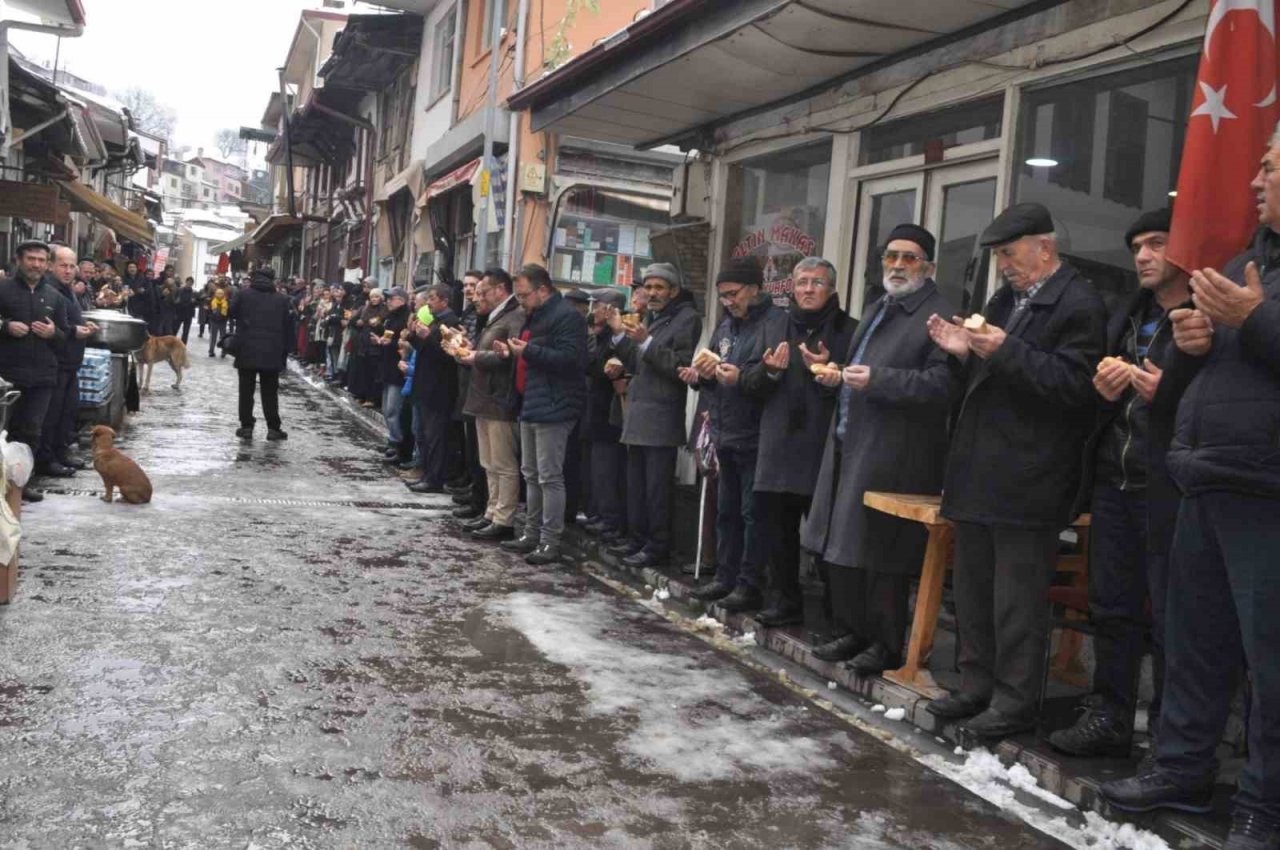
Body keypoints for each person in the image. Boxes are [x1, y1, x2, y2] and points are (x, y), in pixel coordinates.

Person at [1101, 134, 1280, 849]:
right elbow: (1189, 382)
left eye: (1270, 165)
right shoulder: (1245, 263)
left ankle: (1265, 805)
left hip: (1267, 490)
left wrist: (1252, 319)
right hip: (1201, 478)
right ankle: (1180, 768)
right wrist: (1192, 342)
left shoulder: (1250, 288)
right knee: (1194, 643)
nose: (1256, 177)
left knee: (1270, 660)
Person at [924, 202, 1106, 742]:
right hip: (981, 469)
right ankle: (975, 686)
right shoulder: (1007, 298)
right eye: (999, 255)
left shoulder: (1078, 302)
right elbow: (993, 372)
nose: (1003, 265)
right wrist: (963, 352)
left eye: (1009, 253)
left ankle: (1015, 700)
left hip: (1031, 476)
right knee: (975, 591)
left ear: (1043, 248)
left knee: (1017, 601)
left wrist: (1005, 350)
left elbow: (1076, 387)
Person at [1048, 208, 1190, 759]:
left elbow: (1222, 406)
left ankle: (1168, 735)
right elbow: (1090, 399)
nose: (1144, 256)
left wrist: (1170, 393)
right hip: (1116, 481)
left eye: (1157, 243)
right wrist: (1102, 393)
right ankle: (1108, 713)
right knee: (1111, 606)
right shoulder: (1126, 316)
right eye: (1137, 247)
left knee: (1174, 617)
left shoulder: (1208, 316)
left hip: (1174, 486)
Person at [800, 233, 955, 672]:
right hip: (851, 441)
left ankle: (884, 644)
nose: (898, 264)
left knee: (882, 552)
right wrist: (836, 373)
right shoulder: (878, 306)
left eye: (910, 257)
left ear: (928, 266)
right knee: (842, 546)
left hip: (897, 452)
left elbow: (942, 385)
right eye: (891, 255)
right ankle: (852, 632)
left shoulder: (937, 314)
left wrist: (878, 380)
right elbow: (860, 373)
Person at [746, 256, 858, 630]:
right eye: (803, 282)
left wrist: (831, 372)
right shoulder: (774, 325)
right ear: (791, 288)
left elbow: (859, 391)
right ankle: (783, 602)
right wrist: (770, 372)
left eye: (817, 283)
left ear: (833, 290)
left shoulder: (849, 331)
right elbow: (749, 383)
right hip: (778, 443)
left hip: (825, 447)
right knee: (777, 530)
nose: (809, 289)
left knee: (828, 536)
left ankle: (836, 615)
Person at [682, 257, 784, 612]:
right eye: (722, 295)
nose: (728, 301)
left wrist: (739, 377)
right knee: (726, 512)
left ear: (755, 289)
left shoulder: (775, 323)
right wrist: (703, 375)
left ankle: (749, 583)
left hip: (757, 435)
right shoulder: (727, 326)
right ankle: (725, 577)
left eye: (733, 294)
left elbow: (773, 376)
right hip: (726, 431)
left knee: (752, 514)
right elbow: (713, 371)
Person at [605, 262, 701, 567]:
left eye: (659, 288)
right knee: (636, 486)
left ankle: (657, 546)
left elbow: (679, 365)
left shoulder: (686, 319)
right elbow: (638, 359)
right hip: (638, 413)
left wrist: (646, 340)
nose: (652, 293)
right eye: (648, 287)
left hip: (661, 416)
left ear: (673, 290)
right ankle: (638, 539)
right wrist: (620, 339)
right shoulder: (653, 317)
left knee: (657, 489)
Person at [496, 264, 586, 564]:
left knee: (549, 476)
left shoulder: (567, 317)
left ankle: (550, 540)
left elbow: (572, 360)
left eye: (524, 295)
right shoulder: (536, 314)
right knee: (531, 474)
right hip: (532, 401)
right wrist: (515, 352)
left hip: (556, 405)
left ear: (543, 290)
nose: (520, 301)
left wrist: (529, 352)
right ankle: (531, 533)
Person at [0, 240, 69, 502]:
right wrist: (5, 327)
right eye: (31, 259)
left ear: (47, 264)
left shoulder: (54, 297)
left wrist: (53, 333)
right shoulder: (3, 289)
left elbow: (65, 336)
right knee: (4, 430)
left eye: (41, 260)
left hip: (42, 377)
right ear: (19, 260)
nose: (36, 264)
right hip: (6, 376)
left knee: (31, 431)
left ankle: (21, 484)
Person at [458, 269, 523, 541]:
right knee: (488, 461)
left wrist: (476, 356)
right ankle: (491, 511)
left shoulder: (514, 315)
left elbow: (508, 354)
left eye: (484, 291)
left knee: (503, 462)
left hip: (499, 399)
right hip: (484, 397)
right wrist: (468, 348)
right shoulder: (495, 315)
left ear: (500, 290)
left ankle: (504, 518)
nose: (479, 297)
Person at [37, 245, 96, 478]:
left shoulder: (67, 289)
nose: (68, 270)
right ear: (51, 265)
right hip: (55, 362)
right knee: (52, 414)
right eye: (63, 265)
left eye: (72, 266)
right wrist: (74, 331)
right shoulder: (49, 290)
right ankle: (47, 459)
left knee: (67, 411)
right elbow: (49, 326)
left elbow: (69, 319)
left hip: (71, 362)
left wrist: (84, 326)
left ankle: (61, 453)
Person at [578, 289, 629, 541]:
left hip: (608, 412)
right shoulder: (597, 335)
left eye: (596, 304)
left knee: (607, 469)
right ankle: (597, 512)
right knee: (595, 468)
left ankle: (610, 519)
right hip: (593, 410)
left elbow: (602, 368)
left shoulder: (615, 337)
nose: (592, 309)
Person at [407, 284, 461, 494]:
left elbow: (447, 355)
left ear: (444, 301)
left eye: (432, 298)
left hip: (439, 389)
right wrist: (413, 335)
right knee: (426, 435)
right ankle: (427, 474)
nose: (428, 302)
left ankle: (434, 478)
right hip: (426, 386)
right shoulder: (437, 321)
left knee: (436, 436)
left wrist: (426, 336)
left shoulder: (451, 322)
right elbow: (425, 350)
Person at [229, 267, 292, 440]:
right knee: (270, 392)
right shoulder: (282, 299)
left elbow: (230, 313)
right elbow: (288, 329)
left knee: (246, 391)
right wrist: (284, 354)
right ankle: (273, 429)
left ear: (254, 278)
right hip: (272, 352)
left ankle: (246, 426)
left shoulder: (243, 294)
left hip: (246, 350)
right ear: (273, 280)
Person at [451, 271, 489, 520]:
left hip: (481, 387)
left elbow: (479, 347)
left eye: (474, 286)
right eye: (465, 285)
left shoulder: (483, 315)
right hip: (466, 382)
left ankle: (479, 496)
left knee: (482, 451)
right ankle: (473, 488)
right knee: (470, 443)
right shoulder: (468, 312)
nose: (469, 291)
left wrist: (467, 347)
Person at [374, 288, 411, 462]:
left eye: (392, 299)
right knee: (385, 408)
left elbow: (407, 342)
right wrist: (381, 340)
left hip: (398, 369)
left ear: (402, 300)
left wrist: (392, 342)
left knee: (392, 409)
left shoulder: (406, 318)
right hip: (387, 367)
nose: (388, 302)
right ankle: (392, 440)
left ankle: (398, 443)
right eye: (387, 299)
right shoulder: (390, 317)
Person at [123, 260, 158, 333]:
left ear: (137, 268)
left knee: (138, 330)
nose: (132, 269)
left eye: (134, 267)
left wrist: (138, 292)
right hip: (127, 308)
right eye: (130, 267)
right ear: (127, 269)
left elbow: (149, 293)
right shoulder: (124, 278)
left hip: (140, 310)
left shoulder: (143, 279)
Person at [207, 287, 230, 357]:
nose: (219, 295)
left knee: (223, 338)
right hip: (214, 321)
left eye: (221, 294)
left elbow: (229, 311)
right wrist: (211, 316)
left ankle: (223, 351)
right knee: (213, 337)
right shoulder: (212, 301)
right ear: (215, 294)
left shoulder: (226, 301)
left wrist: (226, 318)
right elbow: (208, 311)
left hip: (223, 322)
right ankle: (211, 351)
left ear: (223, 294)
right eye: (218, 293)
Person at [174, 277, 196, 343]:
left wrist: (194, 302)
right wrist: (177, 302)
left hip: (188, 315)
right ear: (186, 282)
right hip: (179, 313)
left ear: (192, 284)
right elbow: (175, 301)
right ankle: (172, 344)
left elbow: (197, 303)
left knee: (186, 332)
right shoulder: (179, 290)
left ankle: (183, 346)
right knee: (175, 329)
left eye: (191, 283)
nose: (189, 283)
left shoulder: (194, 292)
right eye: (188, 282)